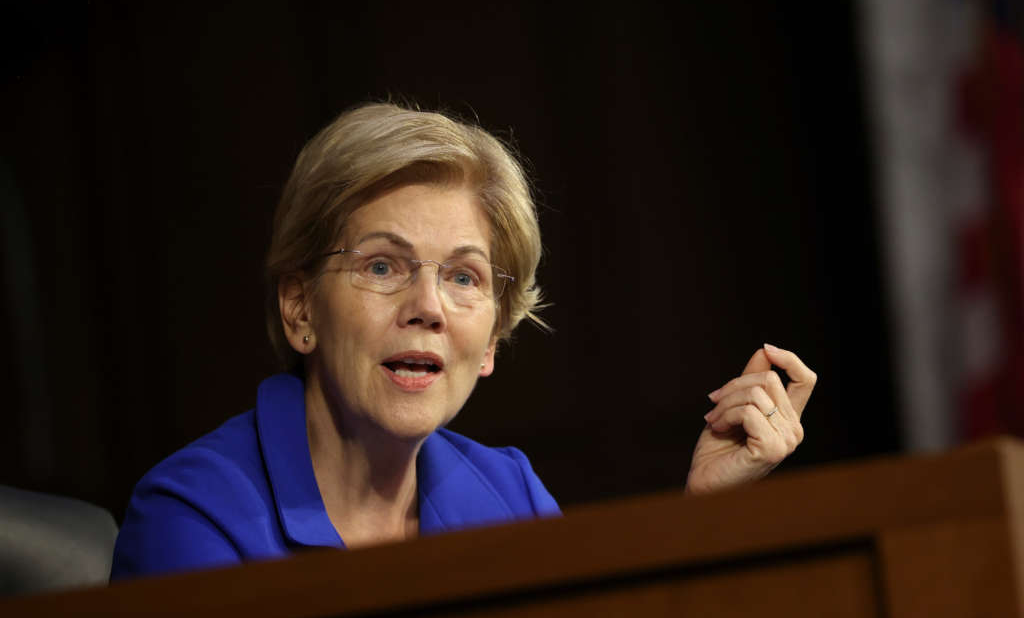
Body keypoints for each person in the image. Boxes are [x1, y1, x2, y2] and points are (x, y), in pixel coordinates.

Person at [109, 103, 816, 580]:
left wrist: (707, 513)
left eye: (464, 277)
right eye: (382, 266)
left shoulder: (509, 495)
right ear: (301, 308)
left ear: (491, 344)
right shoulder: (193, 518)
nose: (427, 307)